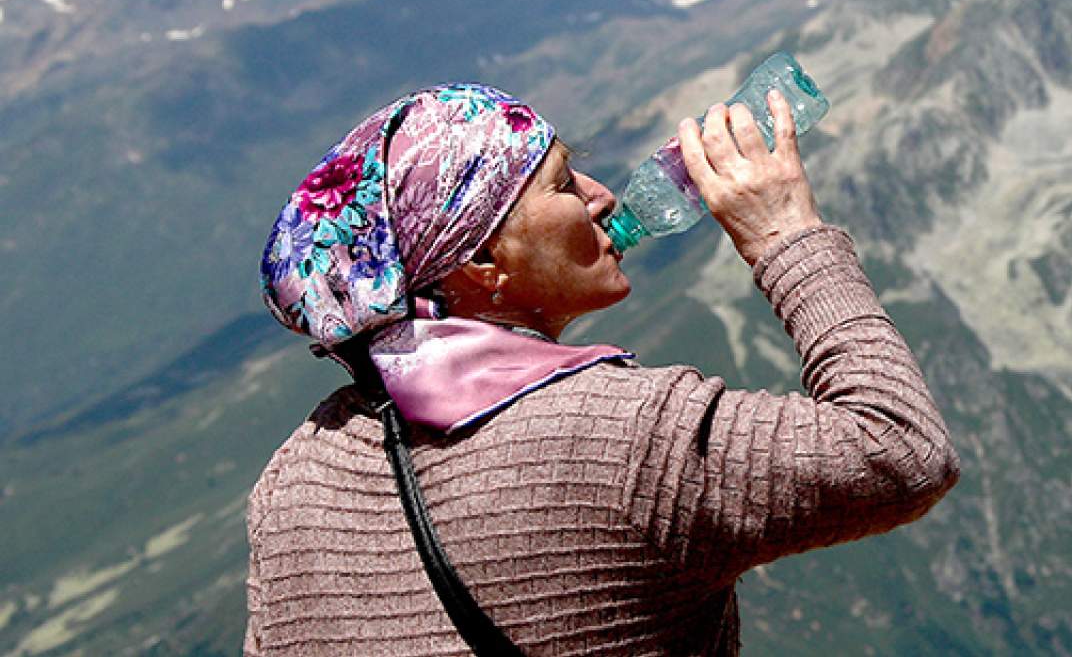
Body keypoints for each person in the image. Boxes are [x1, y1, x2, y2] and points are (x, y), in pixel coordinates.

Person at [246, 82, 959, 654]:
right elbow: (900, 448)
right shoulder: (628, 437)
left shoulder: (295, 479)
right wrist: (787, 235)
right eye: (561, 185)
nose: (602, 194)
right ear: (485, 264)